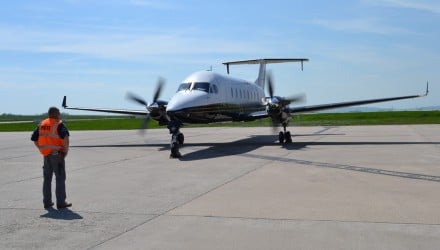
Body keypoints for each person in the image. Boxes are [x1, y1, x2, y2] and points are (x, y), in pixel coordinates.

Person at [31, 107, 72, 209]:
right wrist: (65, 151)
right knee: (60, 178)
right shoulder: (58, 124)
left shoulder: (42, 124)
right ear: (57, 114)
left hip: (46, 156)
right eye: (59, 113)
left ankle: (47, 202)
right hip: (57, 155)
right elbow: (65, 137)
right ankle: (61, 202)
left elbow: (34, 138)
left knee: (47, 179)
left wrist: (41, 148)